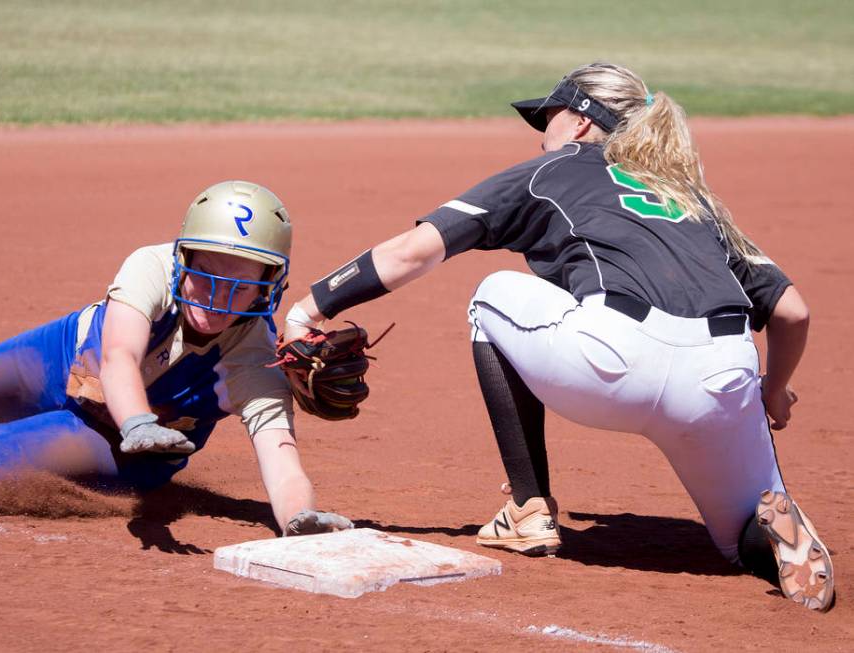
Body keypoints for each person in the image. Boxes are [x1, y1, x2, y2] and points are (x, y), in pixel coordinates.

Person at [281, 63, 834, 610]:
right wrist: (773, 387)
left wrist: (309, 308)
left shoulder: (550, 172)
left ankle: (529, 507)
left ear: (578, 121)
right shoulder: (694, 198)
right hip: (721, 378)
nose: (543, 130)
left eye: (548, 116)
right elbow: (792, 310)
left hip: (611, 365)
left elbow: (412, 252)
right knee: (740, 536)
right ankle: (772, 541)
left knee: (492, 292)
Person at [0, 180, 353, 537]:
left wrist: (299, 518)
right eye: (204, 275)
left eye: (239, 284)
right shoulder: (151, 265)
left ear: (267, 286)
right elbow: (118, 356)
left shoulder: (255, 358)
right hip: (60, 361)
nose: (215, 297)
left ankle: (125, 479)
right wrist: (138, 419)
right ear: (182, 258)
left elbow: (283, 466)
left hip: (113, 440)